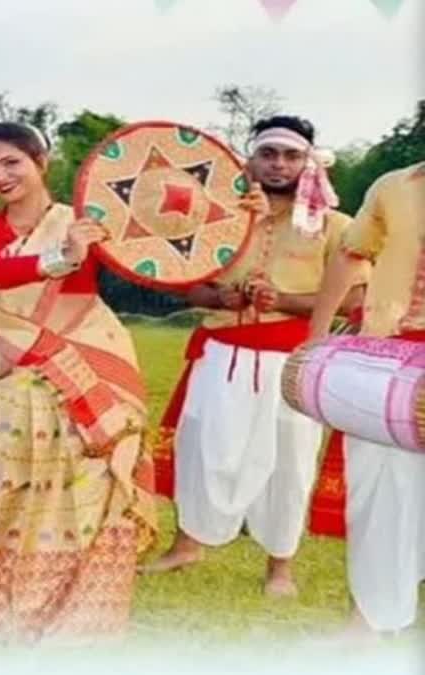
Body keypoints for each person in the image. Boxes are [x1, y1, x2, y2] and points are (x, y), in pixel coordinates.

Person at [0, 122, 156, 640]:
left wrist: (237, 218)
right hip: (22, 369)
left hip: (93, 362)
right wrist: (64, 256)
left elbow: (162, 255)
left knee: (87, 492)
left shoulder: (89, 222)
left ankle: (80, 618)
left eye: (11, 163)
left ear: (41, 161)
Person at [146, 116, 360, 597]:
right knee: (200, 450)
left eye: (291, 156)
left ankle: (279, 568)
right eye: (269, 154)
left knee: (291, 459)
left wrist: (282, 299)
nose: (279, 165)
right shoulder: (215, 216)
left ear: (309, 163)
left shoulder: (335, 226)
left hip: (290, 361)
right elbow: (187, 287)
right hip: (220, 353)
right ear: (250, 160)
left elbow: (350, 299)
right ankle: (186, 545)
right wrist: (221, 299)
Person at [309, 159, 425, 634]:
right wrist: (317, 335)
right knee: (379, 491)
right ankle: (366, 621)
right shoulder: (394, 184)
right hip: (391, 358)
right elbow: (350, 253)